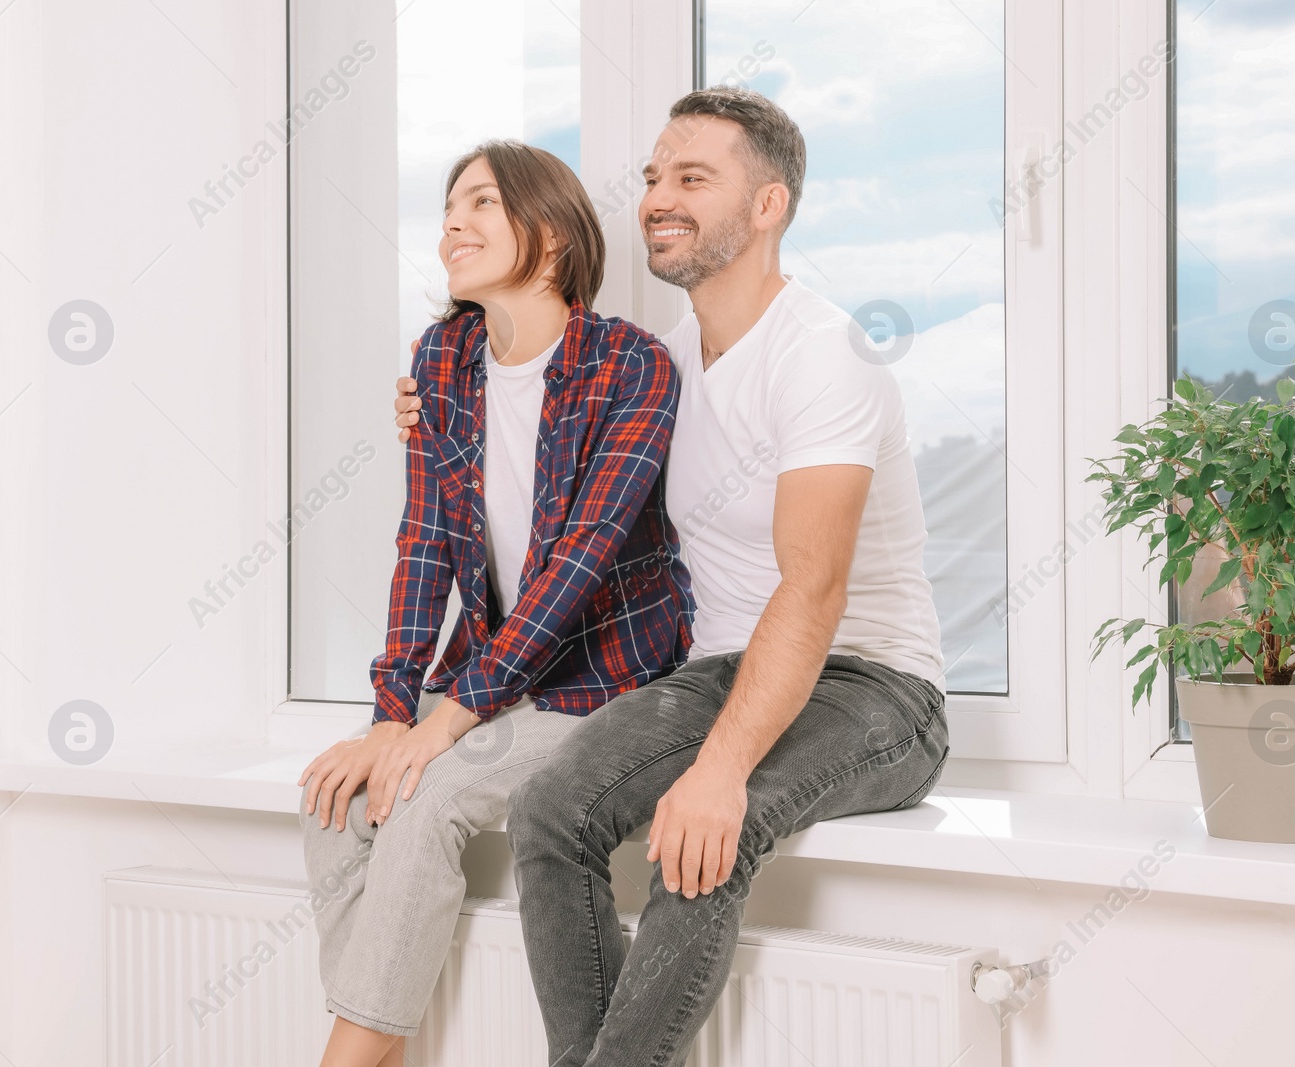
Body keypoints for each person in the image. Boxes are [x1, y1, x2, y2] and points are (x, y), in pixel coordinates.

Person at [395, 86, 950, 1067]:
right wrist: (439, 401)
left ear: (768, 204)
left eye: (693, 177)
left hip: (874, 685)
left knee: (703, 840)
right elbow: (545, 414)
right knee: (550, 813)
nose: (657, 197)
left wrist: (722, 768)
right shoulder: (665, 362)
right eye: (653, 177)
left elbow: (811, 588)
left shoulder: (821, 355)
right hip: (721, 673)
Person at [298, 139, 691, 1067]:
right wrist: (392, 710)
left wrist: (439, 728)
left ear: (550, 236)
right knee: (335, 798)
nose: (451, 225)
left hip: (606, 683)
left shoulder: (630, 367)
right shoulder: (444, 358)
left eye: (479, 203)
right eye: (447, 209)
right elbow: (426, 539)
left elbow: (578, 571)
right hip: (497, 683)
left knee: (429, 796)